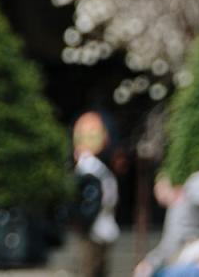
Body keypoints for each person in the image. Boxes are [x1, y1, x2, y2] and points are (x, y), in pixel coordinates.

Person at [137, 170, 199, 277]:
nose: (158, 196)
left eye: (159, 188)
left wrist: (149, 263)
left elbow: (171, 243)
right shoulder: (179, 204)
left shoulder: (192, 187)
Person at [72, 110, 121, 277]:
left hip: (99, 227)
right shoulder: (92, 167)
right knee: (92, 268)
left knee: (95, 268)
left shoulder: (92, 167)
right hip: (96, 227)